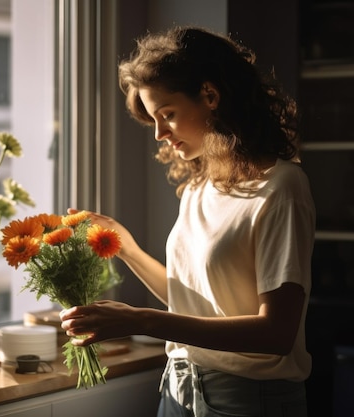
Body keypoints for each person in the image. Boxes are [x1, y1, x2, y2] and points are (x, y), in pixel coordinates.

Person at [59, 26, 315, 417]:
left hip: (247, 399)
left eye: (168, 115)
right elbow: (193, 301)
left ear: (210, 96)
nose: (160, 133)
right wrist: (126, 248)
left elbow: (276, 333)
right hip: (178, 387)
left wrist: (142, 320)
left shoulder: (282, 187)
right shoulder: (199, 187)